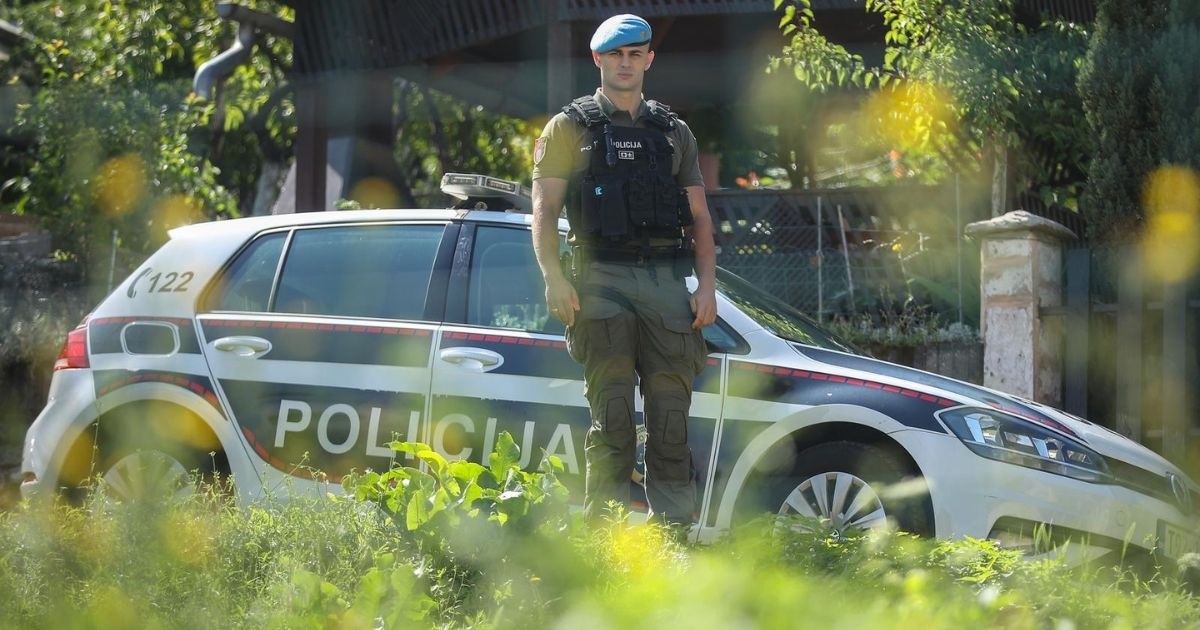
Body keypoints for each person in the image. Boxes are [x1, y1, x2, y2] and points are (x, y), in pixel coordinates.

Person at [531, 13, 717, 526]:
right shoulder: (568, 126)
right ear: (598, 59)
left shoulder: (674, 132)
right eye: (615, 54)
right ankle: (605, 542)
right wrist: (553, 276)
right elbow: (544, 210)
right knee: (611, 423)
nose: (625, 62)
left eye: (635, 53)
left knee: (671, 424)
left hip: (665, 287)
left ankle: (673, 539)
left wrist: (707, 287)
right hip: (600, 283)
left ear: (649, 59)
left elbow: (700, 217)